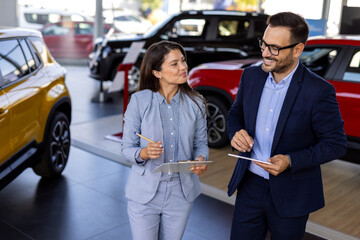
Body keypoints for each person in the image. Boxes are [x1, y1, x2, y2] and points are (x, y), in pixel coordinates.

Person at [227, 12, 347, 240]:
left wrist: (291, 160)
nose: (264, 53)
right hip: (249, 185)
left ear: (298, 49)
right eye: (263, 44)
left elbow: (336, 144)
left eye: (274, 48)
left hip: (293, 192)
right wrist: (235, 133)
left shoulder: (319, 91)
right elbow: (235, 114)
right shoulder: (250, 76)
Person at [121, 40, 209, 240]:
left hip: (182, 192)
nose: (183, 67)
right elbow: (126, 147)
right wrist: (142, 153)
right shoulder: (139, 101)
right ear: (157, 73)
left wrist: (201, 158)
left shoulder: (196, 103)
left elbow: (201, 143)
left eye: (183, 61)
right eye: (175, 63)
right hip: (144, 193)